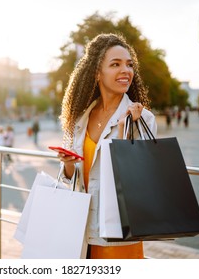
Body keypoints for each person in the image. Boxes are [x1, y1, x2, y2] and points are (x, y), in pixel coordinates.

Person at [57, 33, 157, 259]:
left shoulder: (143, 118)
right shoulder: (81, 118)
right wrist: (69, 165)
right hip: (79, 232)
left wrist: (124, 132)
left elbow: (137, 182)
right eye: (115, 64)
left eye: (129, 65)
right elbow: (72, 179)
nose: (126, 71)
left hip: (116, 235)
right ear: (97, 73)